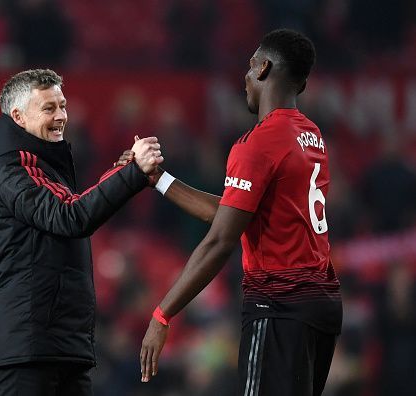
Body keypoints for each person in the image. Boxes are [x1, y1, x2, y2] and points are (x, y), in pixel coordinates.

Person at [137, 29, 342, 396]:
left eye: (249, 68)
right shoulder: (311, 135)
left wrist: (162, 314)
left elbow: (220, 239)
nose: (245, 79)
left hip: (278, 304)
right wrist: (159, 180)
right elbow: (233, 212)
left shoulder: (257, 143)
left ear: (263, 68)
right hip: (321, 303)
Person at [0, 69, 163, 396]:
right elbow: (70, 215)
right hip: (30, 349)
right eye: (49, 108)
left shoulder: (43, 166)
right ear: (18, 116)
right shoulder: (13, 167)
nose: (61, 116)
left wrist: (122, 173)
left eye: (63, 106)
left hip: (57, 345)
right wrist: (131, 174)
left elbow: (69, 209)